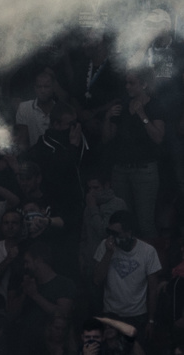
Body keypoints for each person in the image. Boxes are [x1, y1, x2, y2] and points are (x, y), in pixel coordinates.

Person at [104, 66, 166, 238]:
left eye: (132, 83)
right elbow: (107, 138)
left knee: (145, 222)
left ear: (144, 84)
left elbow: (158, 137)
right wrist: (108, 117)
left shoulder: (154, 105)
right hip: (121, 170)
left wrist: (142, 114)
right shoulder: (122, 106)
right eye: (126, 83)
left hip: (144, 170)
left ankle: (152, 262)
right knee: (123, 221)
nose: (127, 87)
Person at [92, 211, 162, 335]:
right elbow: (97, 279)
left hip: (137, 315)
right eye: (110, 232)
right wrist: (109, 253)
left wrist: (151, 320)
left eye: (116, 233)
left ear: (129, 232)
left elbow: (153, 290)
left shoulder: (147, 251)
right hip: (111, 313)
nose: (112, 237)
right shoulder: (105, 245)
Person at [8, 241, 76, 355]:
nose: (25, 266)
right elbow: (10, 315)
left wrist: (35, 296)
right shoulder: (27, 283)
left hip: (50, 348)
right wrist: (25, 292)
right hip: (26, 346)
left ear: (38, 261)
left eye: (27, 262)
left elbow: (63, 313)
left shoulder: (64, 284)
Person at [81, 172, 128, 282]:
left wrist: (93, 208)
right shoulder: (88, 206)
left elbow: (104, 232)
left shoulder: (117, 204)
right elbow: (84, 235)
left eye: (96, 188)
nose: (92, 192)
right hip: (89, 262)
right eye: (89, 188)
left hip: (110, 263)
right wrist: (81, 256)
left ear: (106, 185)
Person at [18, 69, 60, 146]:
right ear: (34, 88)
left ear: (53, 88)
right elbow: (22, 141)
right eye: (39, 87)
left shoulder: (60, 110)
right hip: (32, 155)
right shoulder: (24, 108)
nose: (42, 90)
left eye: (46, 87)